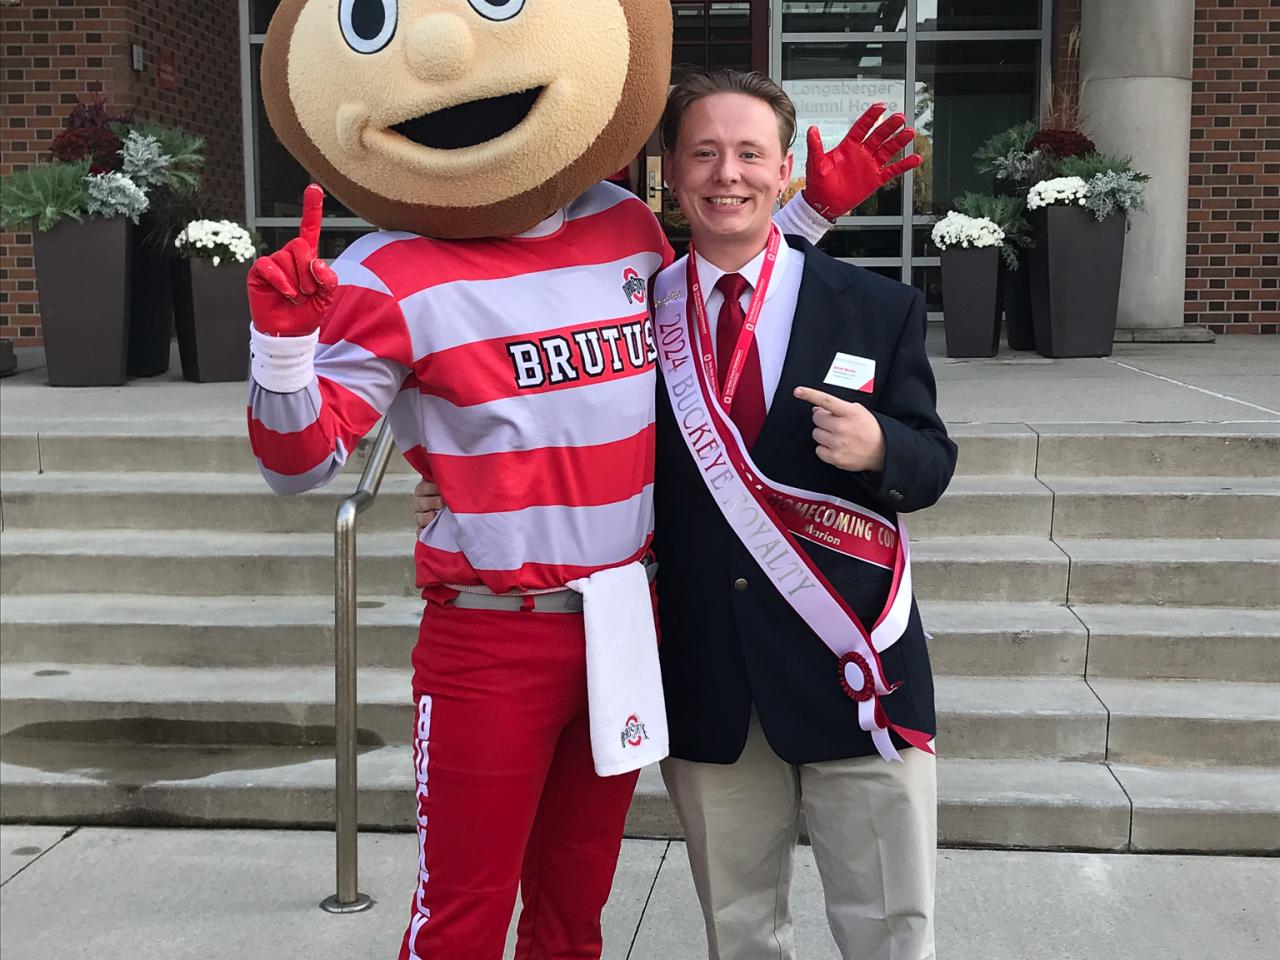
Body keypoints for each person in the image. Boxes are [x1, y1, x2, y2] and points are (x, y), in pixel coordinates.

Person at [248, 5, 917, 959]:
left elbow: (721, 300)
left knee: (575, 911)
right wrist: (281, 350)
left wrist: (807, 215)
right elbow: (299, 465)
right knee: (463, 915)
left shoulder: (624, 225)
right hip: (491, 634)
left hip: (619, 623)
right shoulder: (382, 273)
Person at [648, 69, 956, 960]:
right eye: (704, 152)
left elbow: (931, 463)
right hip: (710, 672)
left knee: (892, 928)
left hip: (856, 665)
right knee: (739, 931)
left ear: (787, 170)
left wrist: (882, 452)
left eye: (750, 153)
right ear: (671, 171)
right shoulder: (637, 315)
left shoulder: (878, 305)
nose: (727, 174)